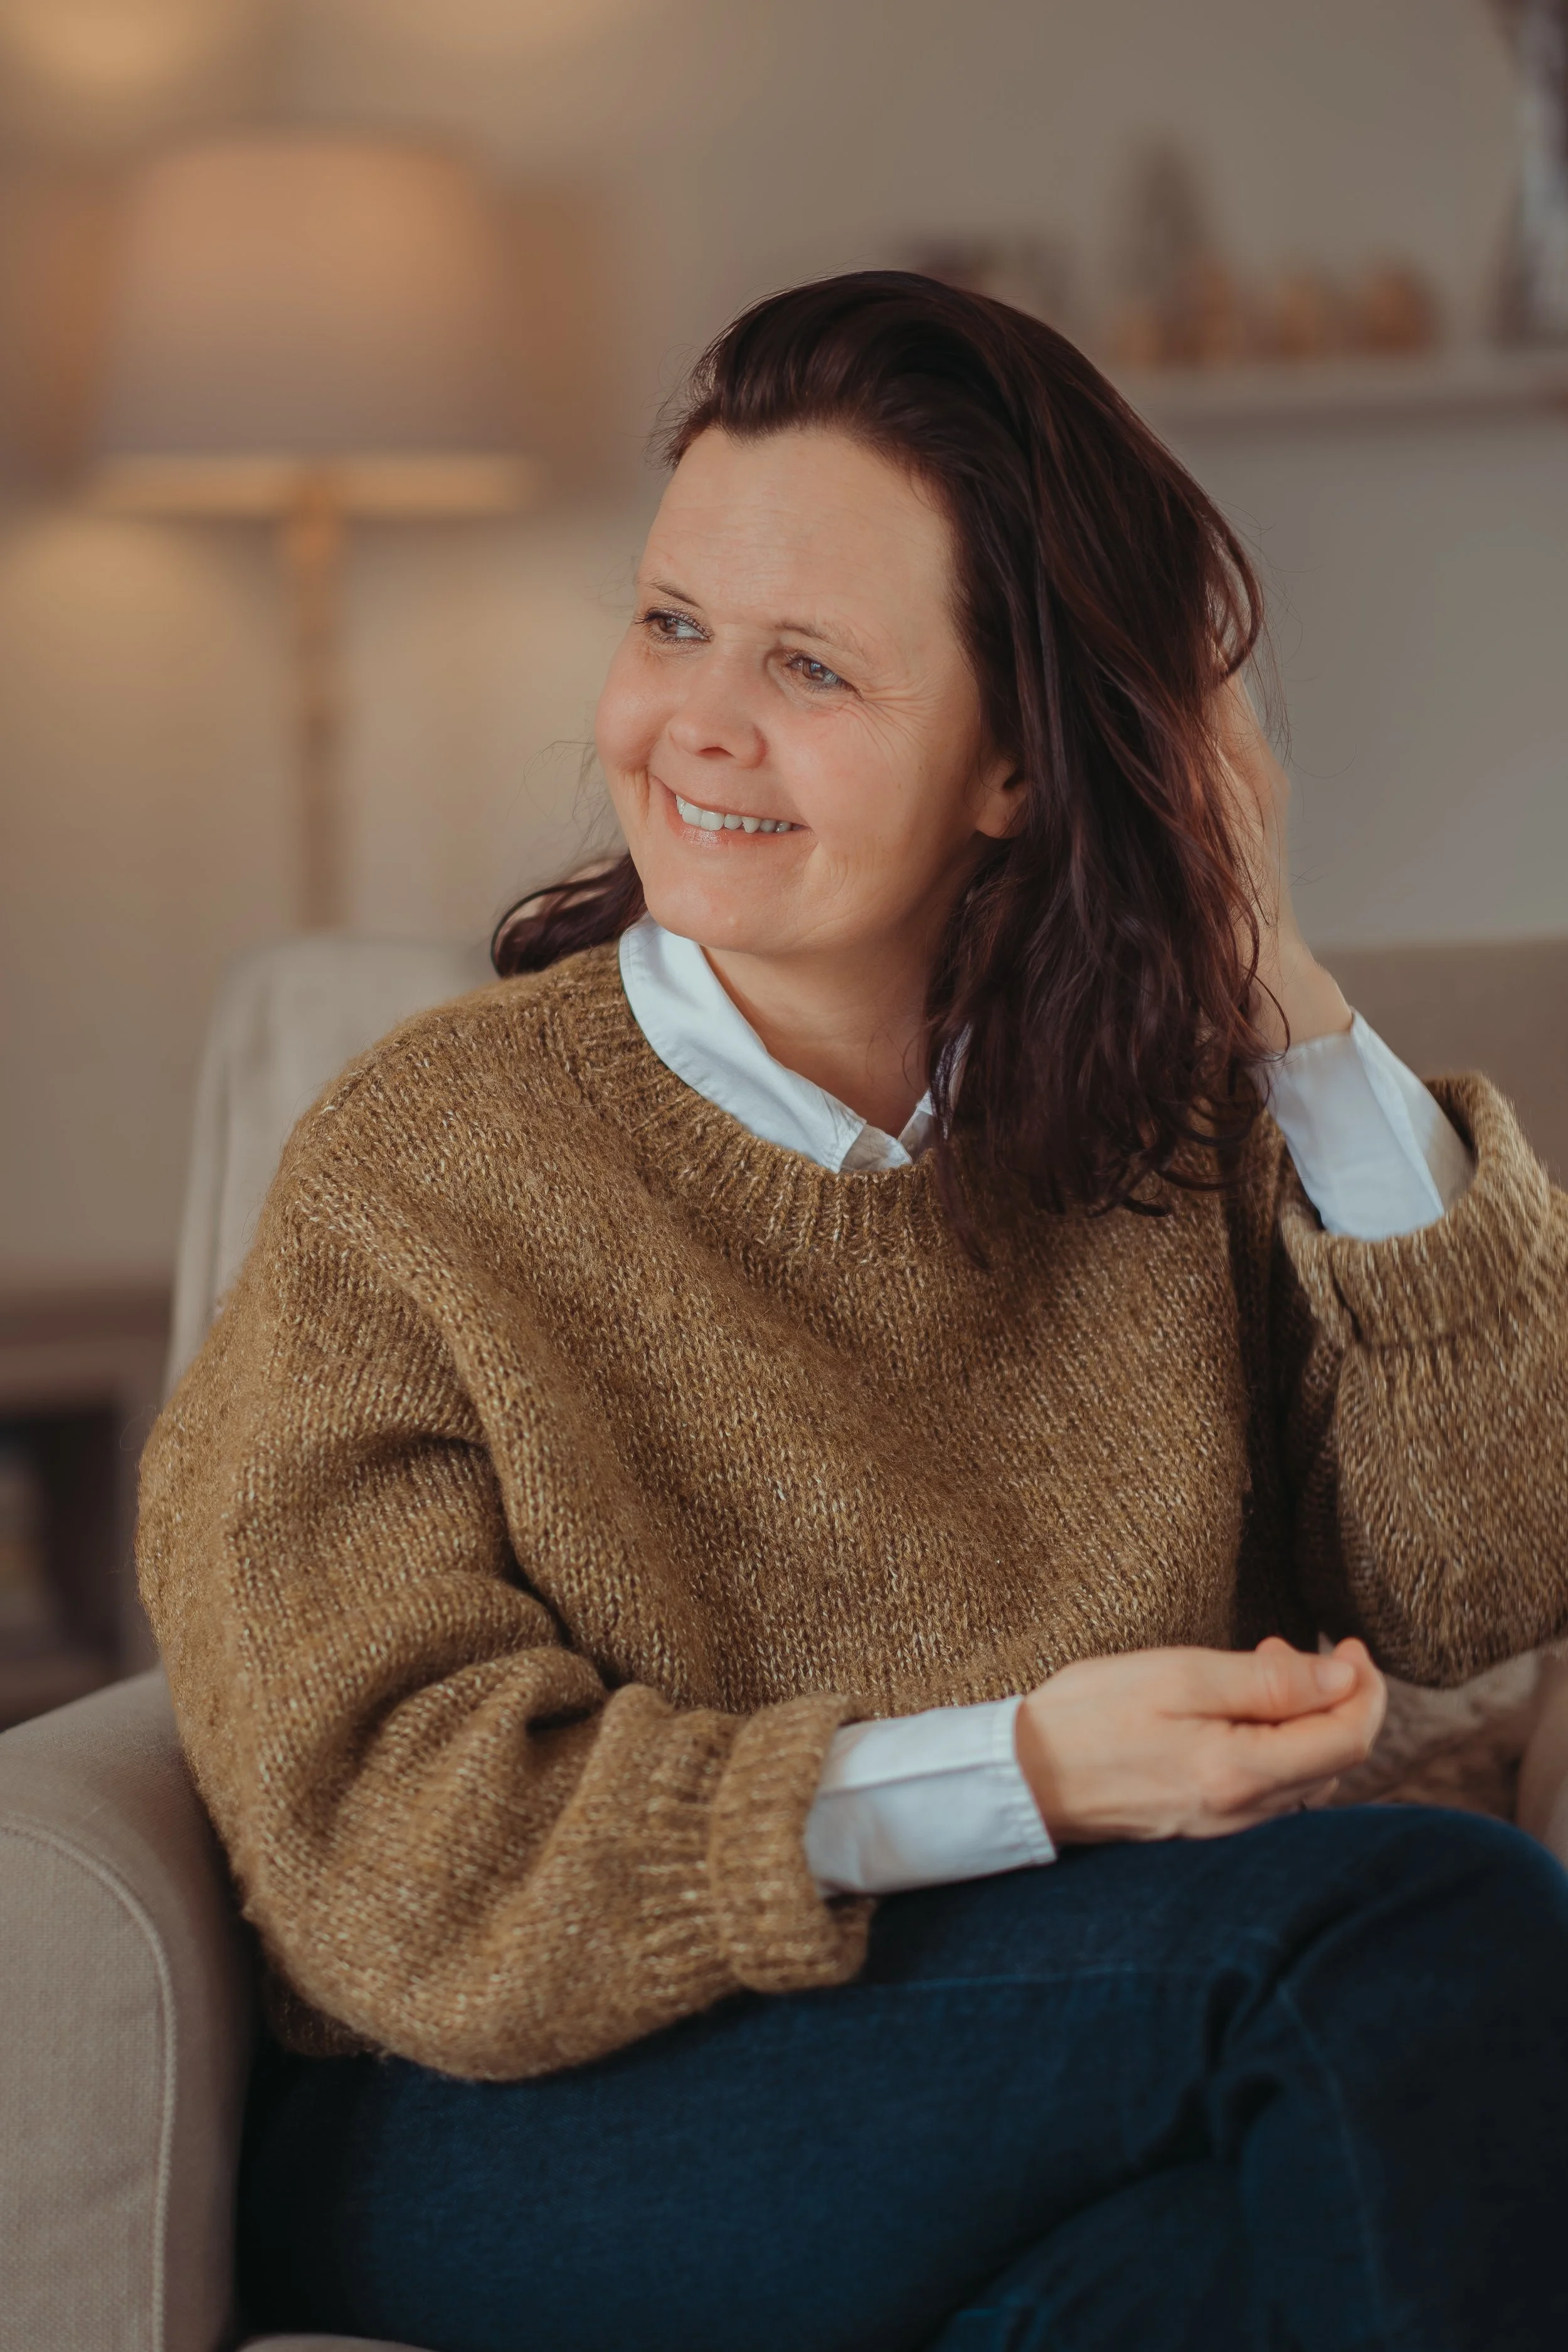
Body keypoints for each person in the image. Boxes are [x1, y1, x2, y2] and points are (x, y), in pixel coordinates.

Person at [137, 273, 1568, 2352]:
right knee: (1419, 1943)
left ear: (1018, 764)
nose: (695, 722)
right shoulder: (426, 1163)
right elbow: (392, 1865)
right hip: (528, 2113)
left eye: (809, 663)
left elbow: (1487, 1564)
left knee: (1229, 2270)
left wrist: (1274, 984)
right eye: (668, 622)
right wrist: (1024, 1774)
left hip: (1058, 2069)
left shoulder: (1162, 1122)